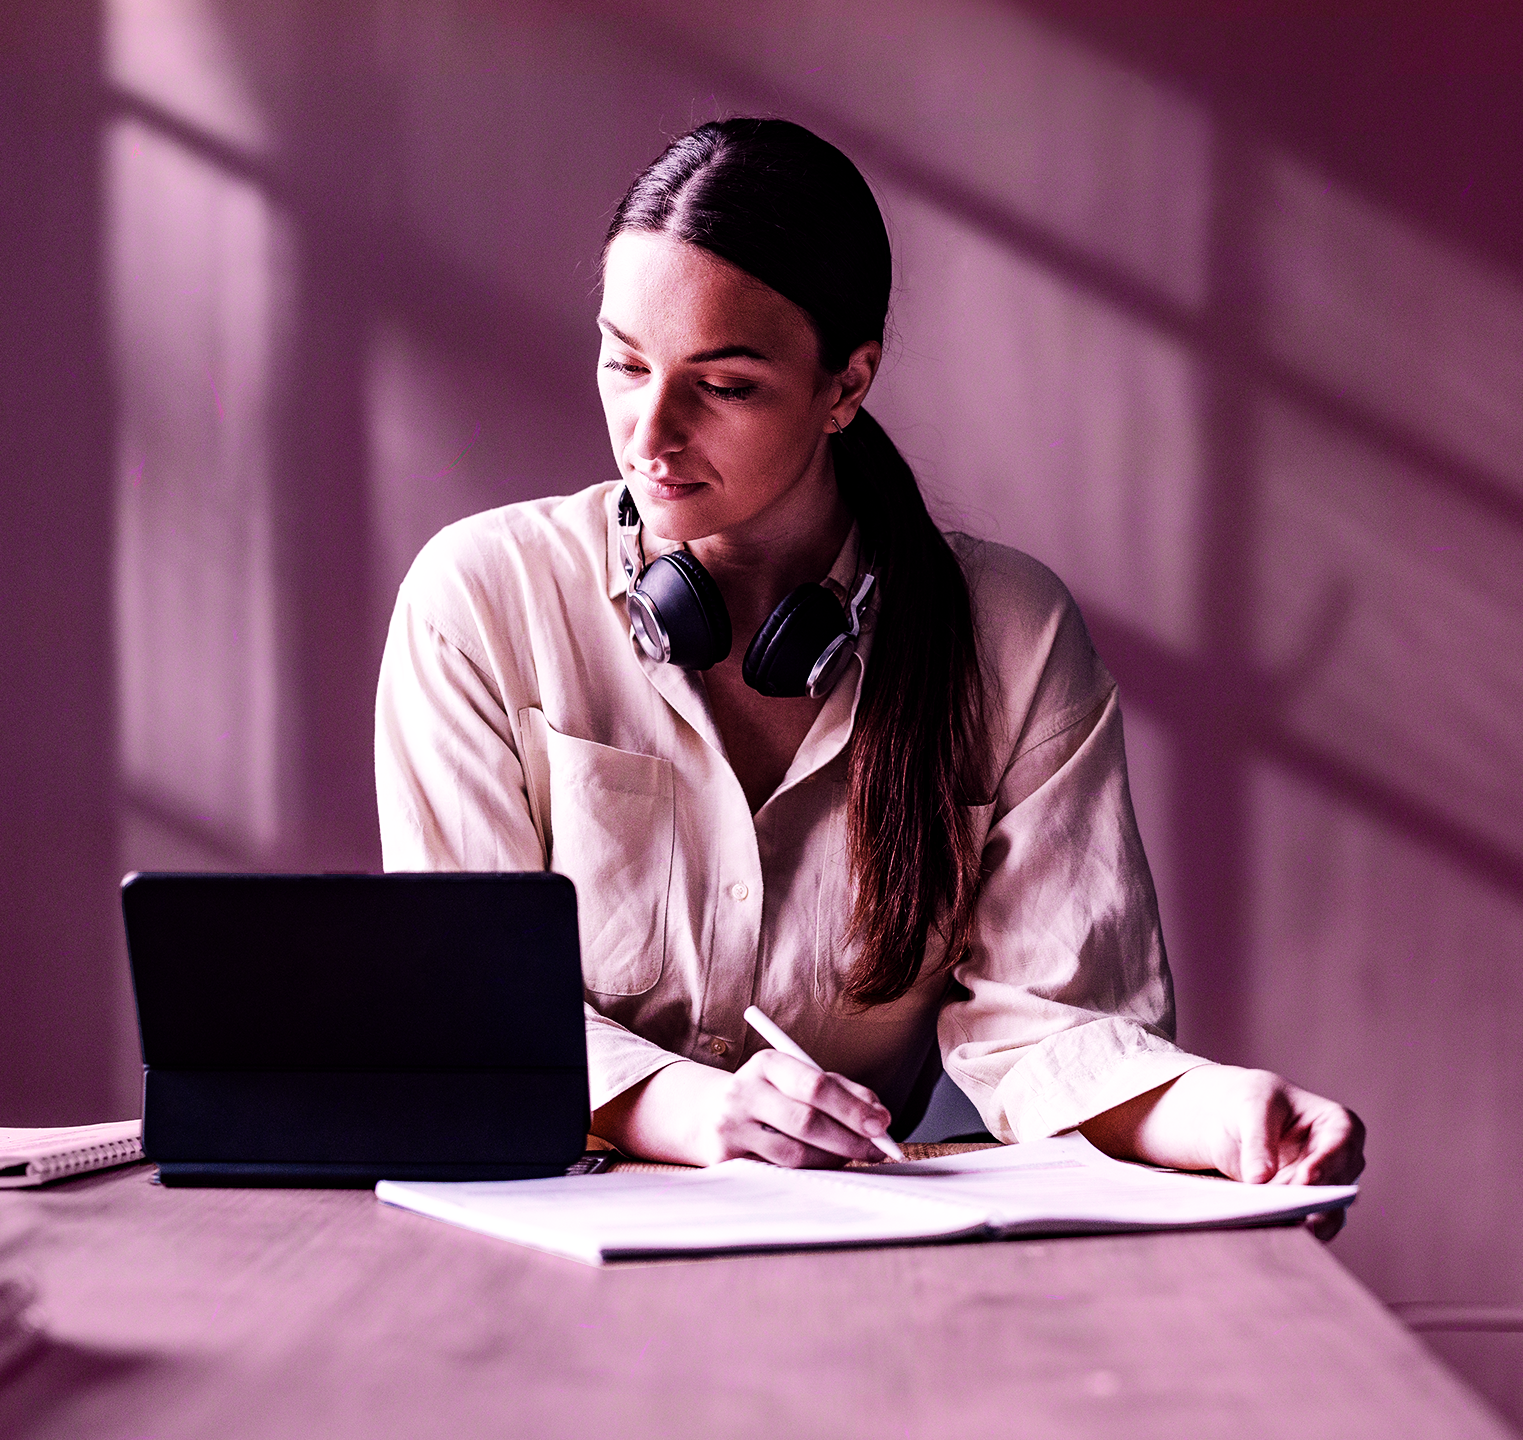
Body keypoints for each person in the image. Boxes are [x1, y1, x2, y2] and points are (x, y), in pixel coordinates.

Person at [375, 117, 1363, 1233]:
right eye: (623, 361)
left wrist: (1223, 1112)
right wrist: (700, 1113)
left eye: (725, 385)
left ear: (846, 384)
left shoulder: (1014, 638)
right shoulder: (479, 600)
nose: (649, 431)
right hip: (539, 1245)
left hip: (853, 1260)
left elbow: (1047, 1030)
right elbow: (474, 1015)